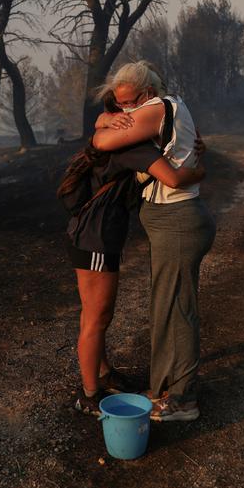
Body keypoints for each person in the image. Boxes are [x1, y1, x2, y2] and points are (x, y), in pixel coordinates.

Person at [60, 92, 206, 417]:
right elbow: (174, 178)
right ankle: (89, 395)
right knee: (97, 319)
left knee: (94, 316)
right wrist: (200, 172)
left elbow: (99, 126)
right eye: (130, 110)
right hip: (95, 239)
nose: (136, 114)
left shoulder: (115, 138)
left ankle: (101, 374)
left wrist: (105, 121)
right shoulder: (133, 148)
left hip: (87, 234)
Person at [92, 61, 216, 422]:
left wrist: (105, 125)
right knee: (165, 306)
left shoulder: (156, 108)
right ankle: (164, 387)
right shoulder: (169, 107)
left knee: (176, 309)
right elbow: (104, 127)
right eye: (119, 104)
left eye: (129, 103)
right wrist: (107, 119)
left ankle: (182, 400)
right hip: (173, 220)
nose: (125, 112)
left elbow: (101, 142)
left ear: (147, 93)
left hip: (177, 221)